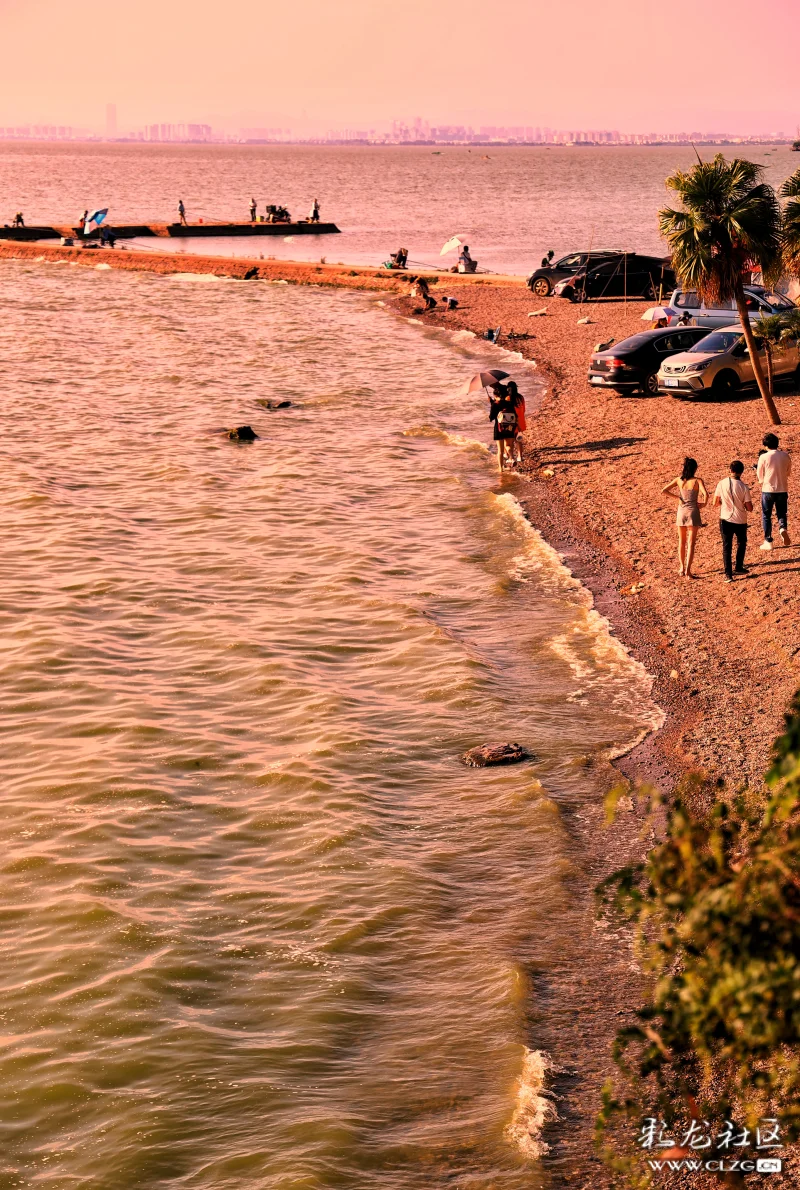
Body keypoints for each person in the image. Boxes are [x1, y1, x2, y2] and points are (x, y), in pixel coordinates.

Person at [662, 457, 707, 578]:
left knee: (681, 542)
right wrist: (703, 504)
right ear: (695, 469)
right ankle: (688, 571)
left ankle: (681, 567)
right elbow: (705, 494)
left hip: (681, 512)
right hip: (693, 512)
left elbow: (664, 490)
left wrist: (677, 498)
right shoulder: (698, 481)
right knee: (691, 544)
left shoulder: (679, 480)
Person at [712, 460, 753, 582]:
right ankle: (739, 566)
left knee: (727, 546)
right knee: (741, 543)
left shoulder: (722, 483)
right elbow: (749, 508)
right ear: (741, 472)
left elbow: (715, 503)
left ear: (730, 470)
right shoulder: (744, 487)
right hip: (740, 519)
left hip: (725, 518)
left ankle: (728, 574)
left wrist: (724, 502)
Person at [756, 432, 791, 550]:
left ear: (765, 445)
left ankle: (768, 540)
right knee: (781, 512)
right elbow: (788, 472)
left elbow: (760, 476)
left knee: (766, 515)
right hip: (782, 489)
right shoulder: (785, 456)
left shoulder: (763, 457)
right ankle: (782, 528)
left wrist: (762, 480)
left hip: (768, 490)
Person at [489, 383, 518, 471]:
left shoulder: (495, 404)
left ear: (496, 395)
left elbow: (491, 417)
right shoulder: (509, 403)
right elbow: (515, 414)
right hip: (509, 427)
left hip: (499, 429)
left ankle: (501, 468)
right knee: (508, 445)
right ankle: (512, 458)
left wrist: (491, 403)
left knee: (500, 450)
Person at [505, 380, 526, 466]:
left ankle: (511, 457)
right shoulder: (521, 397)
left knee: (512, 440)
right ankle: (520, 456)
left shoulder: (508, 398)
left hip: (512, 422)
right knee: (519, 440)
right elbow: (524, 409)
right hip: (521, 421)